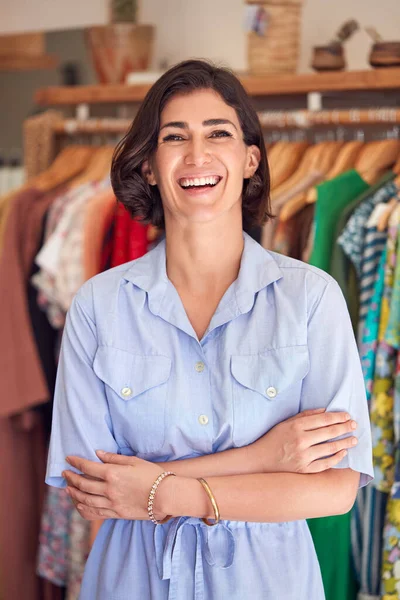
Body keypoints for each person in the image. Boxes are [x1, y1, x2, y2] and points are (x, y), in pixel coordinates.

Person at [46, 59, 374, 600]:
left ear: (249, 159)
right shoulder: (97, 307)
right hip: (134, 582)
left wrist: (160, 492)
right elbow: (96, 491)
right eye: (175, 137)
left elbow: (336, 490)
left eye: (217, 133)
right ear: (149, 165)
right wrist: (266, 459)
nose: (197, 155)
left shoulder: (311, 299)